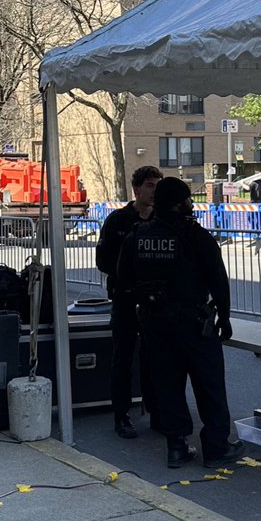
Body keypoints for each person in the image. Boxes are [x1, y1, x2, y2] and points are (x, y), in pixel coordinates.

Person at [115, 176, 243, 470]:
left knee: (168, 384)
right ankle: (216, 447)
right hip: (193, 322)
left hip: (154, 322)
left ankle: (177, 447)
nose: (191, 204)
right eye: (188, 199)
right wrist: (224, 317)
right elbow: (218, 282)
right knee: (209, 384)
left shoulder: (138, 235)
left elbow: (123, 281)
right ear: (179, 203)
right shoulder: (196, 236)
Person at [95, 164, 162, 438]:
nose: (154, 191)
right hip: (125, 299)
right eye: (149, 185)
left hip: (155, 303)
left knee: (156, 359)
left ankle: (157, 412)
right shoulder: (117, 220)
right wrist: (129, 275)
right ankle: (121, 416)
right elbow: (103, 261)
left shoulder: (162, 221)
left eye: (158, 186)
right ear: (136, 189)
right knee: (123, 359)